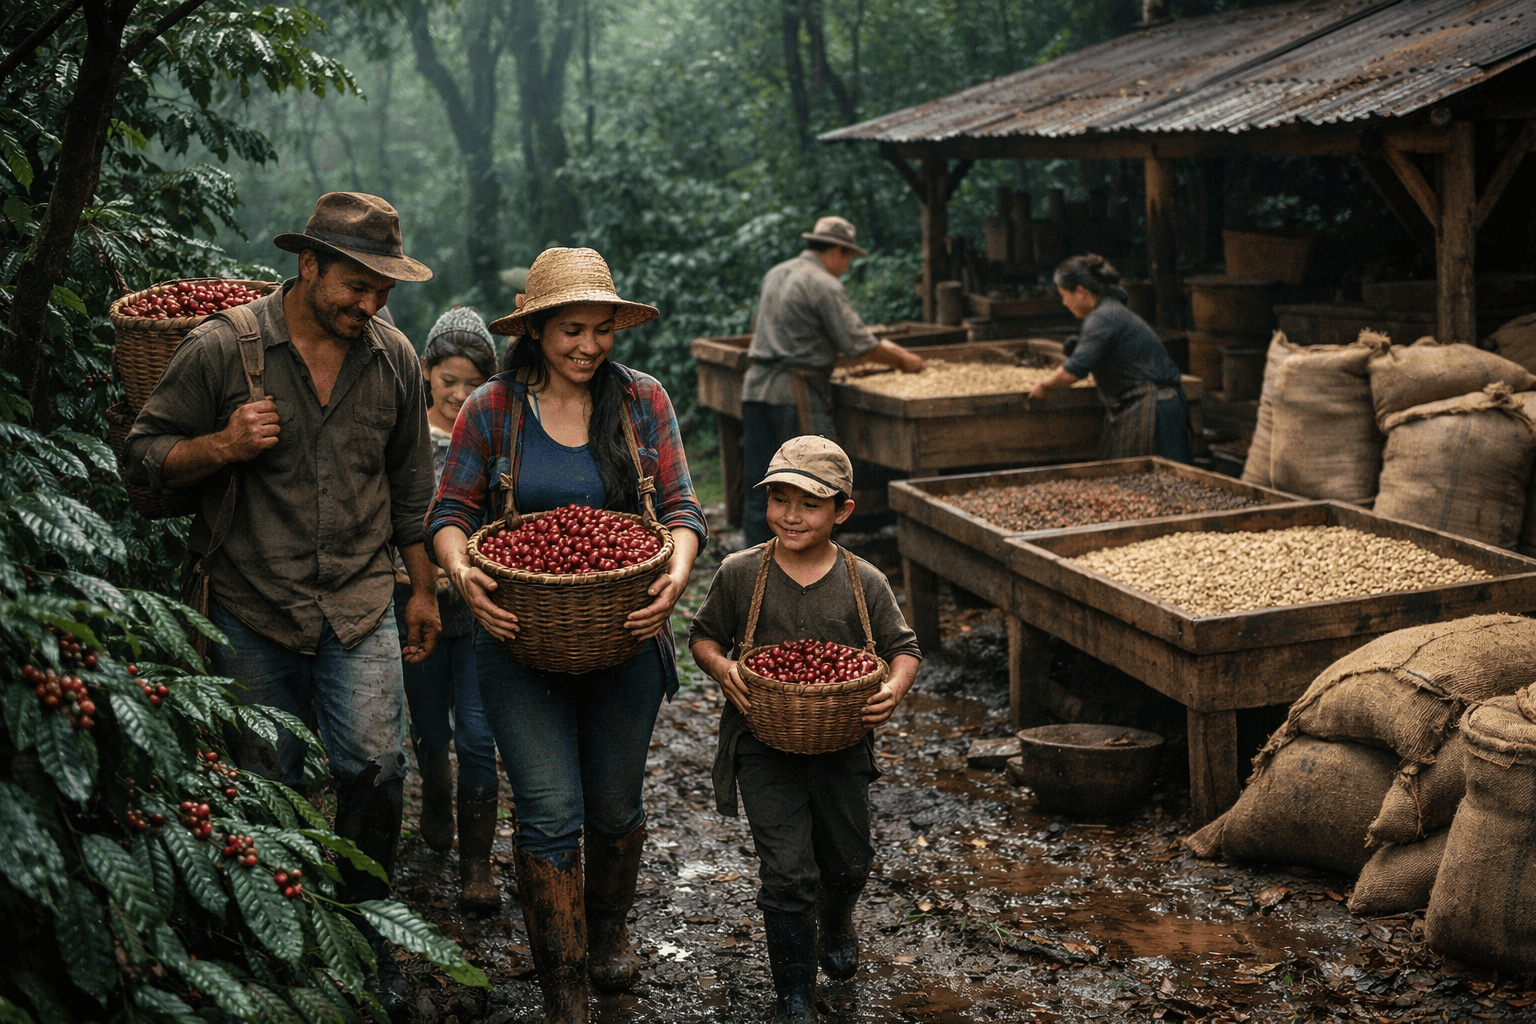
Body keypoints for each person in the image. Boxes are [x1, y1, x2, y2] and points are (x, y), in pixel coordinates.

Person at [124, 191, 439, 1019]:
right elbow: (142, 458)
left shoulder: (394, 358)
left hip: (361, 598)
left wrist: (424, 592)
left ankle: (364, 937)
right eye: (356, 288)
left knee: (376, 767)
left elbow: (411, 489)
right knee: (268, 786)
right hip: (250, 600)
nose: (369, 307)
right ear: (309, 266)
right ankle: (281, 952)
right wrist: (223, 445)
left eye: (383, 294)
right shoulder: (221, 349)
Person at [427, 247, 707, 1024]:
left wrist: (677, 572)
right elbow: (450, 515)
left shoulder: (642, 400)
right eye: (571, 331)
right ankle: (564, 990)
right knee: (549, 811)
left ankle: (610, 928)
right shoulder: (492, 407)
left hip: (627, 636)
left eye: (601, 330)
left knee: (614, 809)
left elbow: (683, 511)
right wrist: (463, 573)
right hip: (520, 639)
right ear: (537, 331)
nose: (589, 346)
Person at [689, 436, 922, 1024]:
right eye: (780, 500)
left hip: (842, 742)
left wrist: (892, 690)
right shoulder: (742, 573)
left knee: (847, 862)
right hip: (762, 741)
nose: (791, 516)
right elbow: (703, 637)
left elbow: (903, 650)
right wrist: (724, 668)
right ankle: (793, 993)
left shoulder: (863, 580)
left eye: (809, 504)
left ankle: (837, 917)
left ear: (842, 510)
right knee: (788, 872)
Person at [395, 306, 502, 912]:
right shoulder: (409, 436)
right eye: (448, 382)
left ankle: (478, 865)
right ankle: (437, 800)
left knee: (480, 735)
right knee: (432, 730)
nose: (460, 395)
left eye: (473, 384)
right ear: (428, 375)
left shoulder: (492, 435)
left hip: (481, 608)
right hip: (420, 608)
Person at [740, 215, 926, 547]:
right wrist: (905, 360)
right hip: (792, 393)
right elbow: (859, 343)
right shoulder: (823, 282)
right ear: (838, 250)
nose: (847, 265)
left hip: (755, 388)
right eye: (849, 257)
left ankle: (754, 560)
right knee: (811, 482)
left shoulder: (777, 273)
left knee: (761, 483)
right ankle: (806, 562)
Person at [1027, 253, 1192, 462]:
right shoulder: (1110, 310)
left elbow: (1072, 372)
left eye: (1064, 295)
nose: (1064, 303)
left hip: (1153, 406)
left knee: (1144, 482)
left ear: (1080, 292)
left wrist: (1045, 386)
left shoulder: (1102, 317)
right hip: (1159, 402)